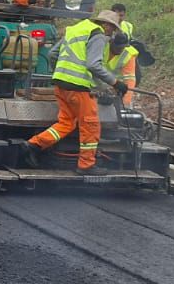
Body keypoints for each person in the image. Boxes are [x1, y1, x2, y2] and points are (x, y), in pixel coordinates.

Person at [24, 10, 128, 174]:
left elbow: (52, 54)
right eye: (113, 28)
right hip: (78, 87)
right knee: (91, 125)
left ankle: (34, 144)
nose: (112, 33)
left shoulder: (76, 29)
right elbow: (93, 65)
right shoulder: (98, 35)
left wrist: (60, 72)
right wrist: (115, 83)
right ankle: (86, 165)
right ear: (106, 24)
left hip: (60, 84)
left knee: (67, 122)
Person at [104, 32, 139, 108]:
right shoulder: (101, 47)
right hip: (97, 86)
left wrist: (126, 102)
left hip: (118, 88)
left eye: (123, 47)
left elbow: (130, 79)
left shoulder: (128, 54)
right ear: (111, 43)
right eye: (118, 47)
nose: (120, 50)